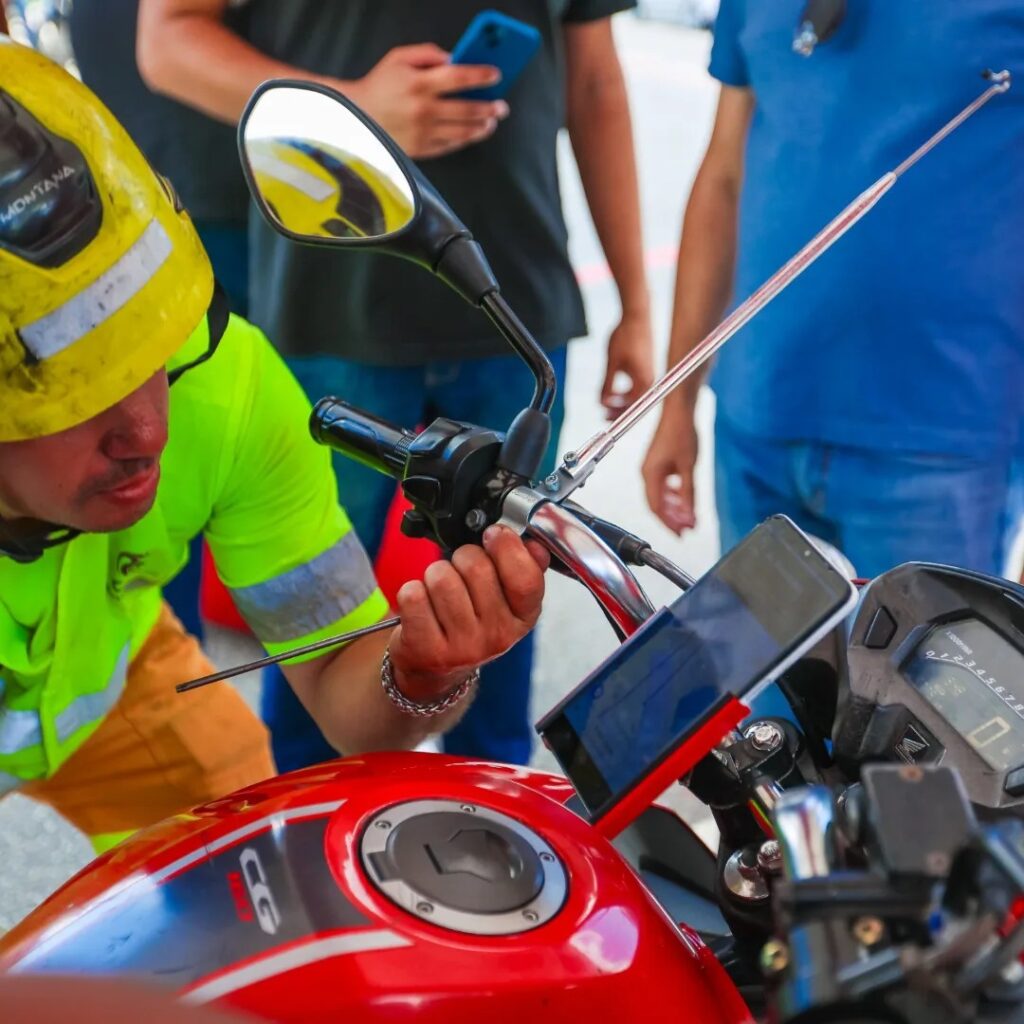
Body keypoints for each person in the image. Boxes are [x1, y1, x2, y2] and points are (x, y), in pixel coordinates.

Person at [0, 41, 547, 854]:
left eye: (154, 349)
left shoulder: (226, 381)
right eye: (80, 394)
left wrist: (421, 672)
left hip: (101, 676)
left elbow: (338, 679)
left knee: (262, 858)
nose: (149, 428)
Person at [137, 0, 654, 768]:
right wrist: (346, 110)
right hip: (330, 310)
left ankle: (495, 835)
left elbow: (595, 83)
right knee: (318, 649)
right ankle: (308, 846)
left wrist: (637, 303)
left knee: (502, 615)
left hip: (513, 308)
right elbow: (169, 38)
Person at [642, 1, 1024, 581]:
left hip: (945, 440)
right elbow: (723, 176)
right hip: (756, 419)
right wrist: (678, 401)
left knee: (920, 675)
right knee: (762, 672)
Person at [68, 0, 255, 643]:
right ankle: (158, 639)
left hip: (214, 194)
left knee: (195, 448)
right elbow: (167, 44)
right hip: (145, 200)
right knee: (148, 464)